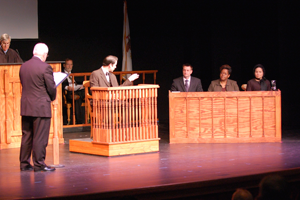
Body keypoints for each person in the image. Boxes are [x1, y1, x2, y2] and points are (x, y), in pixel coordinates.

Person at [19, 43, 56, 172]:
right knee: (40, 136)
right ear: (44, 54)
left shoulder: (23, 66)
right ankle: (39, 164)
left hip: (26, 106)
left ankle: (24, 164)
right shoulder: (45, 67)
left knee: (27, 135)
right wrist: (52, 98)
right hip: (40, 107)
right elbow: (51, 88)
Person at [62, 58, 85, 124]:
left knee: (84, 90)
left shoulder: (75, 74)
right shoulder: (61, 74)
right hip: (69, 92)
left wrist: (82, 86)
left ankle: (80, 96)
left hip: (76, 90)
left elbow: (80, 81)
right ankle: (80, 121)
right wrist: (67, 87)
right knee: (77, 97)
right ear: (64, 65)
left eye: (71, 65)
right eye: (68, 64)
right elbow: (60, 84)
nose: (69, 66)